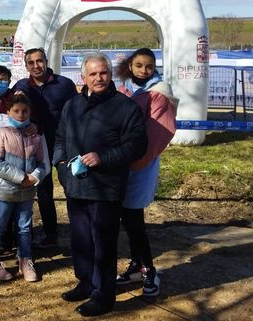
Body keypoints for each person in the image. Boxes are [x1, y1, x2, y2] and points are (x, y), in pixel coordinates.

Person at [54, 52, 147, 317]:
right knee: (81, 239)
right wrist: (60, 167)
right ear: (83, 77)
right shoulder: (72, 105)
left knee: (103, 243)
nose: (99, 78)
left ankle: (104, 295)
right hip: (75, 186)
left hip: (106, 187)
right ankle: (86, 282)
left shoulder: (125, 107)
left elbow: (137, 145)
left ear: (111, 74)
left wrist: (102, 158)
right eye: (93, 74)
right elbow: (60, 137)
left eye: (103, 73)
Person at [115, 48, 177, 298]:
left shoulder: (160, 92)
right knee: (127, 219)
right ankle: (136, 265)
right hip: (119, 164)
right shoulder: (123, 89)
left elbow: (157, 132)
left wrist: (131, 159)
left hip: (140, 163)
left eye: (149, 66)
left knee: (134, 219)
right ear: (131, 66)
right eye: (139, 65)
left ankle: (149, 269)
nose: (144, 70)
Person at [13, 48, 77, 249]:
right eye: (30, 63)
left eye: (39, 61)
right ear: (26, 66)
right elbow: (8, 109)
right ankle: (50, 233)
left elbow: (77, 111)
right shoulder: (22, 86)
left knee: (71, 187)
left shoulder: (64, 84)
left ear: (46, 61)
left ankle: (80, 229)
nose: (36, 66)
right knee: (44, 190)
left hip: (63, 144)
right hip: (37, 145)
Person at [0, 94, 49, 282]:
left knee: (24, 227)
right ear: (8, 111)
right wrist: (21, 178)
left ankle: (25, 259)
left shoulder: (34, 135)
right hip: (4, 190)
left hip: (27, 191)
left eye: (25, 111)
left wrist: (35, 177)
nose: (21, 114)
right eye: (16, 111)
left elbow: (41, 163)